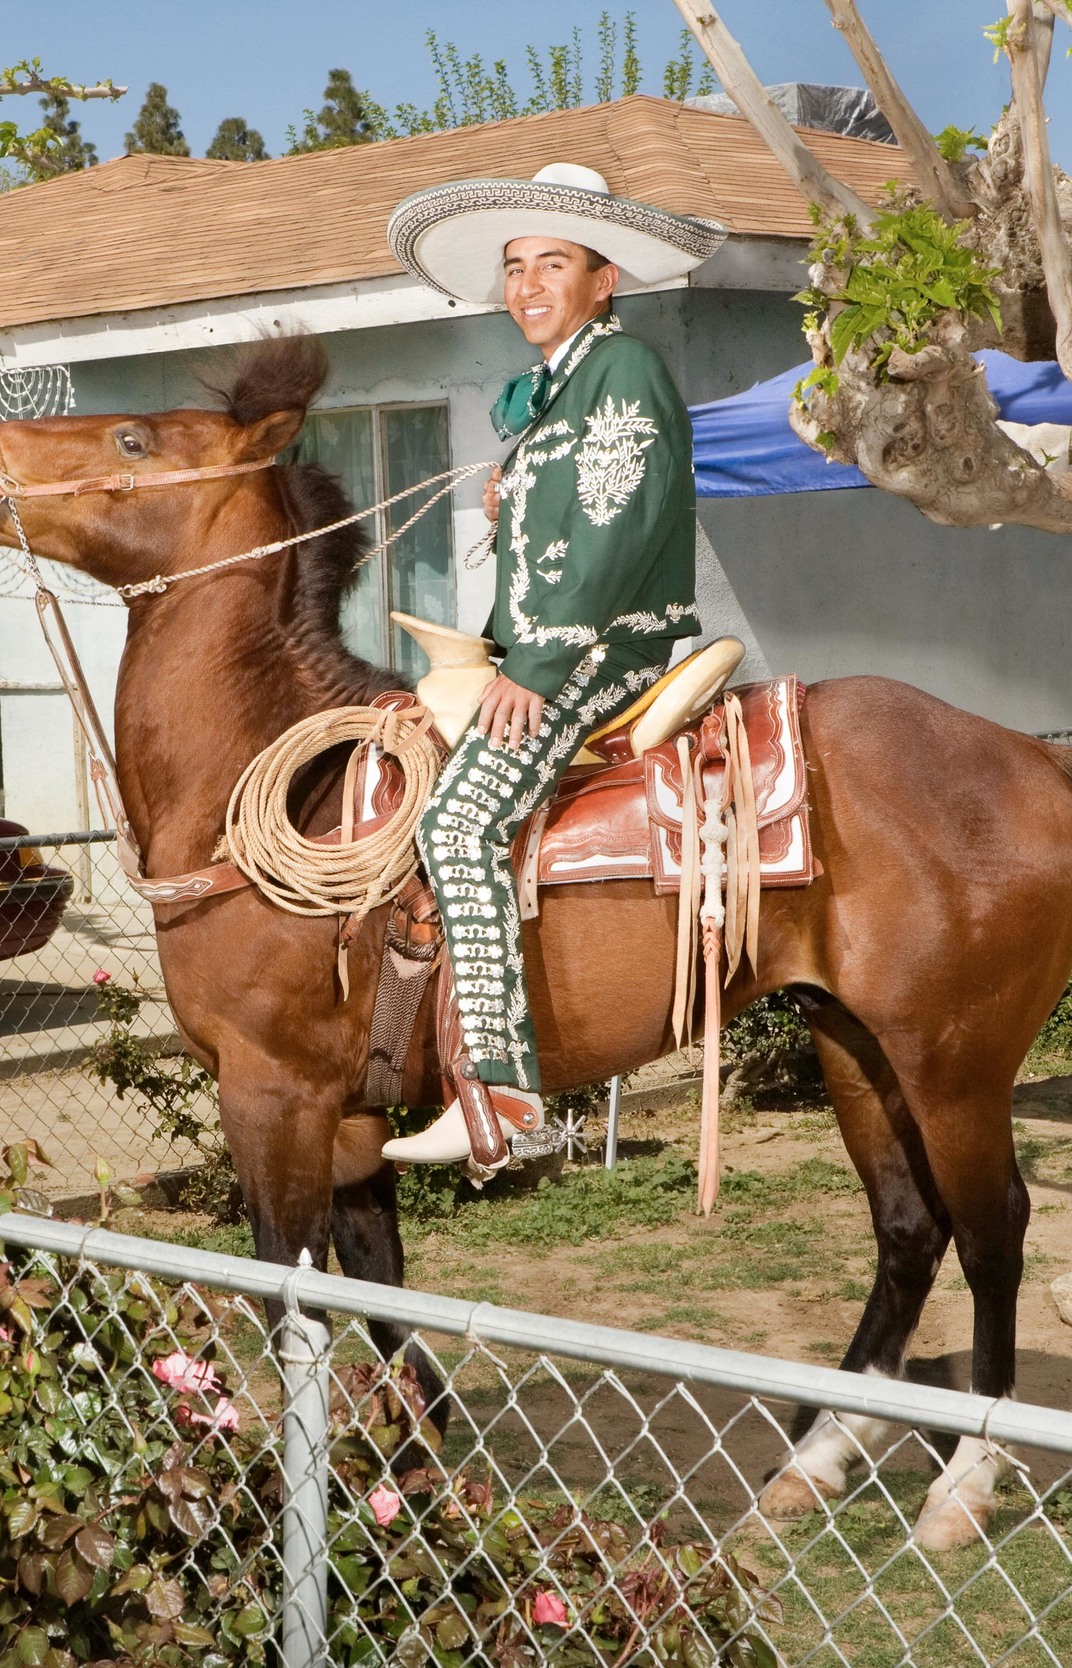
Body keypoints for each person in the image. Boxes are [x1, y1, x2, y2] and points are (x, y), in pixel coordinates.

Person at [378, 163, 725, 1171]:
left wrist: (528, 667)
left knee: (459, 817)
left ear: (603, 278)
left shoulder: (622, 374)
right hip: (542, 641)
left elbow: (611, 536)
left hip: (599, 647)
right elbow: (560, 535)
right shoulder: (560, 388)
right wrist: (509, 508)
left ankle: (502, 1093)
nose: (526, 286)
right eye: (514, 268)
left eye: (553, 264)